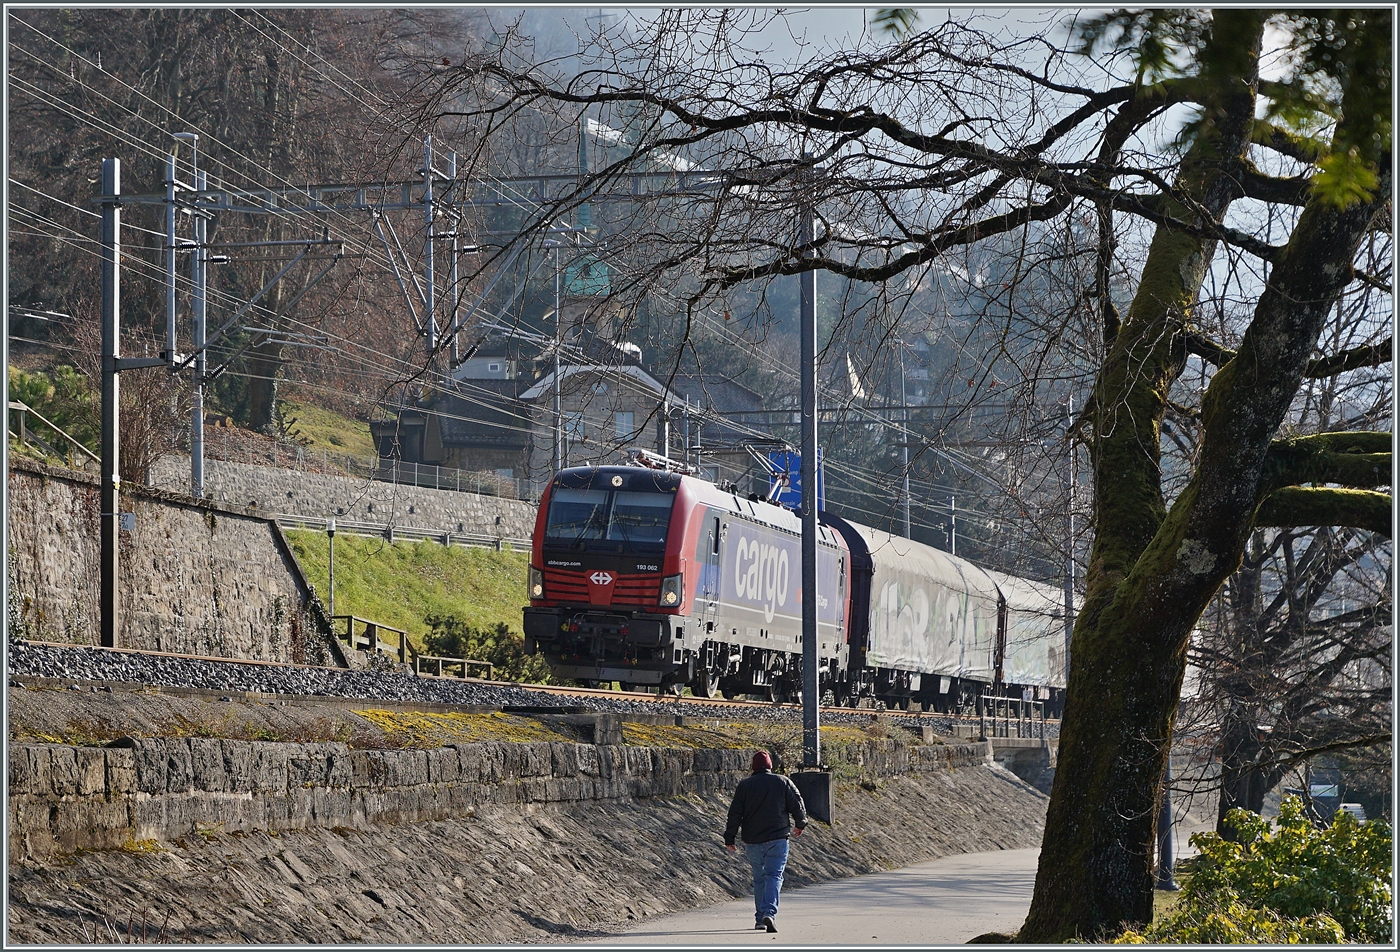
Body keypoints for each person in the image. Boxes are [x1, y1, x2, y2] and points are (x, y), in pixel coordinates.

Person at [724, 750, 808, 933]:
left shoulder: (745, 785)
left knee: (759, 879)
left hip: (753, 841)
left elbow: (735, 814)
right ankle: (769, 913)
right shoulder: (783, 781)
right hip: (778, 838)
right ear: (770, 765)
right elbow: (797, 803)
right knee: (774, 876)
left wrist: (729, 838)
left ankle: (760, 918)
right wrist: (801, 823)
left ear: (753, 767)